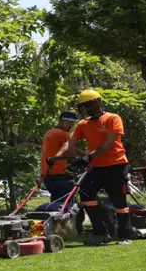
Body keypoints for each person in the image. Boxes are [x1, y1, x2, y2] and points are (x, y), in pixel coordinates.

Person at [58, 89, 135, 246]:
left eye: (89, 103)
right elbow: (72, 142)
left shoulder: (112, 118)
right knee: (86, 195)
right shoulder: (83, 124)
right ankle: (101, 234)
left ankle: (125, 235)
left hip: (116, 165)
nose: (87, 107)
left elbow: (108, 144)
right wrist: (74, 157)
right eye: (84, 105)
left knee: (119, 201)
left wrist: (88, 157)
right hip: (96, 167)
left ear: (98, 101)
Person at [41, 111, 79, 206]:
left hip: (46, 173)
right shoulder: (64, 134)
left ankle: (55, 219)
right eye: (68, 123)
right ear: (60, 121)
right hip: (57, 173)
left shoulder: (49, 132)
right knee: (65, 204)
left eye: (72, 124)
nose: (70, 126)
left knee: (56, 202)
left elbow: (69, 147)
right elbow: (71, 153)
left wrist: (84, 154)